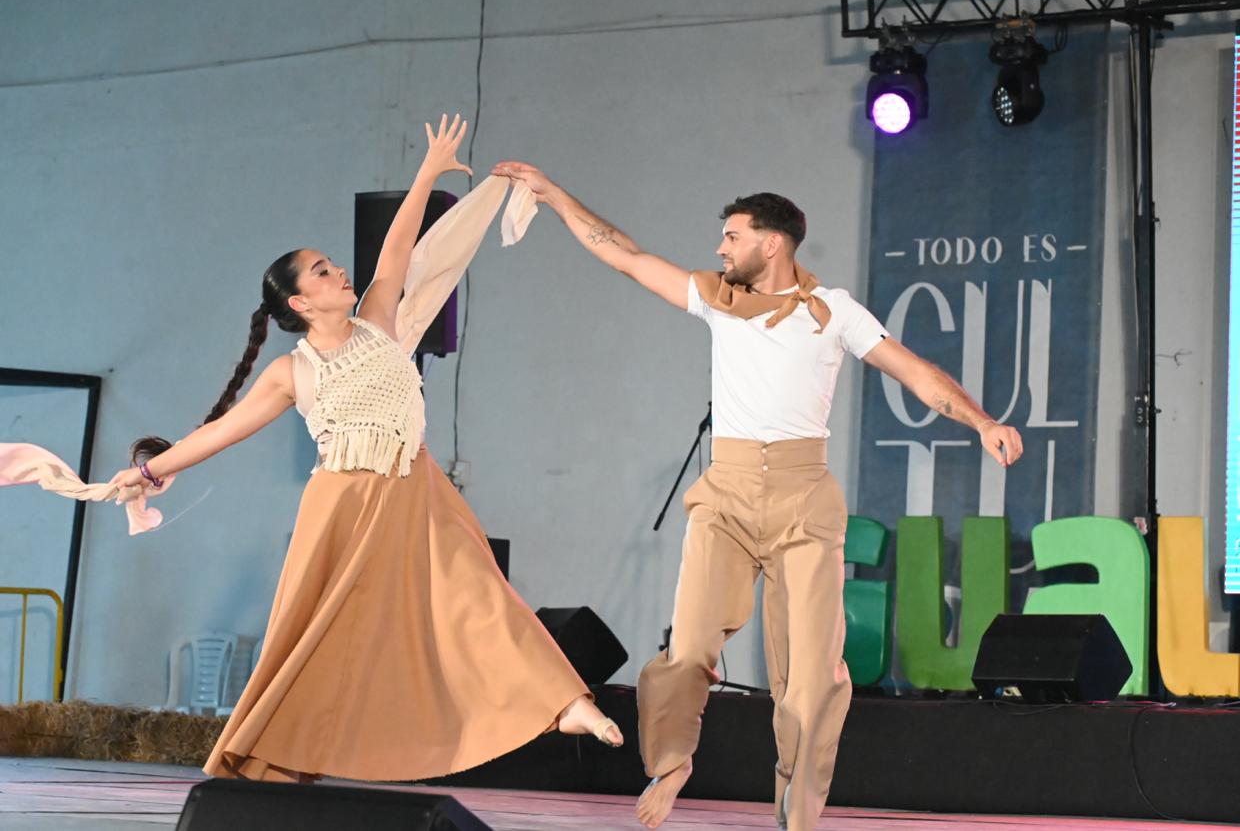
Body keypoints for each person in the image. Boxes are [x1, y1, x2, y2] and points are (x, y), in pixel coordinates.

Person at [491, 161, 1024, 831]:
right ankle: (673, 759)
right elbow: (625, 255)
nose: (721, 248)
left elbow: (916, 373)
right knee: (688, 647)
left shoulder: (833, 312)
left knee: (811, 673)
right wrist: (554, 195)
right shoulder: (717, 299)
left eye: (732, 236)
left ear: (771, 244)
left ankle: (799, 802)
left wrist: (982, 422)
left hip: (804, 500)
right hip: (727, 497)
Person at [109, 117, 622, 784]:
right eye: (323, 271)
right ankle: (270, 764)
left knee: (479, 595)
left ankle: (564, 702)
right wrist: (149, 470)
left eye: (333, 263)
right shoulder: (292, 372)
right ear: (301, 301)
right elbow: (220, 432)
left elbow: (397, 251)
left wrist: (428, 172)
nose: (339, 271)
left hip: (415, 488)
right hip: (343, 504)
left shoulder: (378, 322)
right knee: (318, 638)